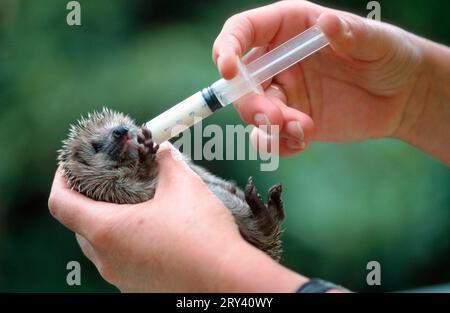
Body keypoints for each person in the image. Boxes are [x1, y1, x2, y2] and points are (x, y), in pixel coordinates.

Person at [48, 1, 450, 292]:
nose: (123, 137)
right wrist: (418, 94)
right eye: (104, 145)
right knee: (249, 219)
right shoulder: (109, 187)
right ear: (87, 164)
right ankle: (262, 219)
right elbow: (134, 192)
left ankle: (259, 222)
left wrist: (217, 272)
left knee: (244, 221)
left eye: (124, 130)